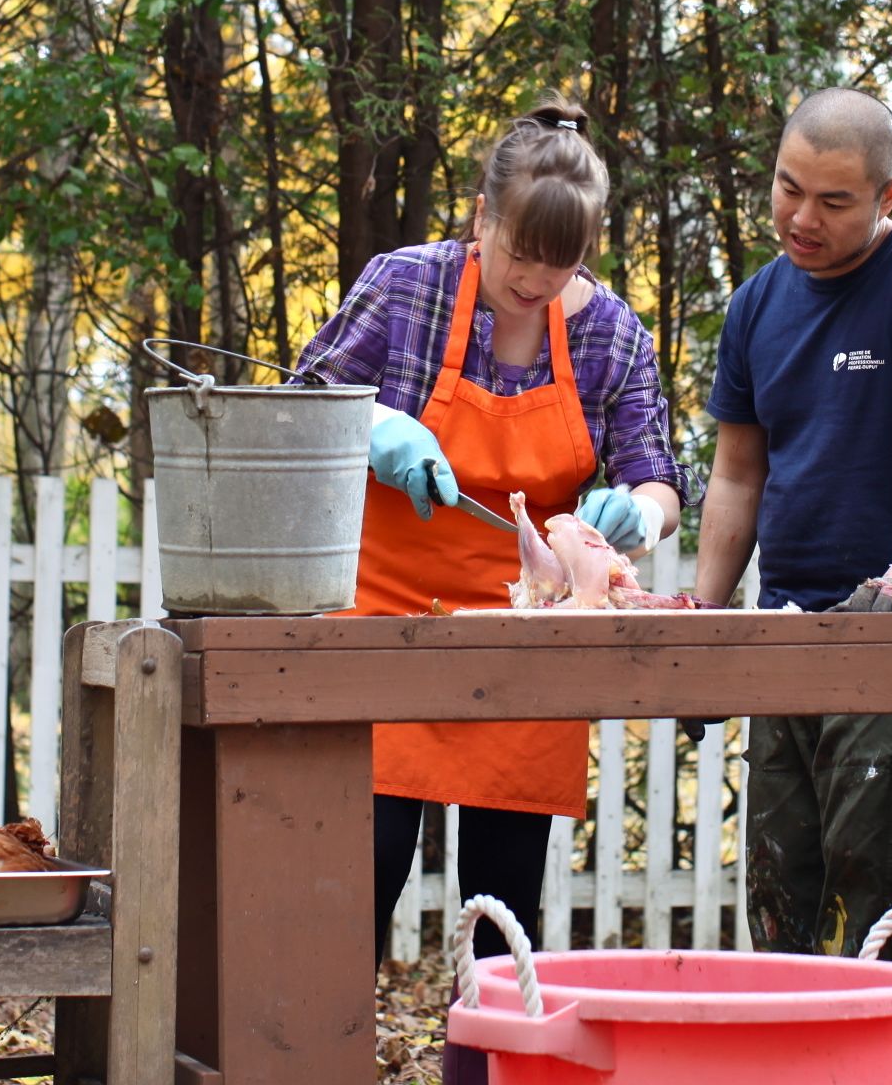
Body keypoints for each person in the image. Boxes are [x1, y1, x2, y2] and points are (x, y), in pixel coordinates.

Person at [296, 95, 691, 977]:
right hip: (382, 629)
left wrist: (642, 514)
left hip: (528, 645)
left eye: (561, 262)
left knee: (504, 928)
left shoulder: (612, 336)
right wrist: (371, 429)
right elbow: (298, 408)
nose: (533, 279)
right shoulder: (406, 286)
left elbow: (660, 474)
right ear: (483, 215)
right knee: (351, 892)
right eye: (518, 249)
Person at [689, 86, 892, 965]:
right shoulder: (755, 304)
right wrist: (706, 619)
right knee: (786, 920)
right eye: (789, 188)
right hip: (785, 640)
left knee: (888, 924)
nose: (801, 217)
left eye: (833, 201)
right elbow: (737, 475)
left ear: (888, 197)